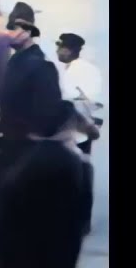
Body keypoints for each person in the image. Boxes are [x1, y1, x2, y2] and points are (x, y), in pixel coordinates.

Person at [0, 112, 89, 268]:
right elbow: (83, 217)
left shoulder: (20, 166)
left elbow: (3, 219)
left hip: (23, 251)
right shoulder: (79, 165)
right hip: (61, 249)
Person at [0, 2, 74, 157]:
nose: (10, 33)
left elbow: (48, 121)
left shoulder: (42, 67)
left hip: (30, 157)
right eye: (9, 28)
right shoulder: (13, 63)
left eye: (15, 27)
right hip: (12, 151)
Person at [56, 32, 103, 235]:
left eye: (61, 47)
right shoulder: (72, 69)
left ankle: (80, 221)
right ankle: (77, 220)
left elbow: (90, 102)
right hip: (73, 131)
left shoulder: (84, 71)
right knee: (76, 176)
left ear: (71, 49)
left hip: (79, 132)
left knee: (80, 176)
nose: (58, 51)